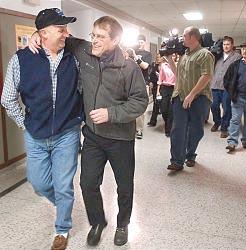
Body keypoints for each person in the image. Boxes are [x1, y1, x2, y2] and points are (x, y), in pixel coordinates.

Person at [30, 16, 148, 246]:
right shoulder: (84, 50)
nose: (94, 40)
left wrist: (111, 113)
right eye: (93, 35)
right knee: (87, 183)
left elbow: (140, 102)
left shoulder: (128, 66)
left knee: (124, 185)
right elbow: (62, 37)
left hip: (120, 138)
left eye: (100, 37)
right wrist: (38, 34)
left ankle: (122, 224)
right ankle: (97, 222)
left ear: (115, 40)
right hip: (93, 137)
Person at [1, 8, 82, 250]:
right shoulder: (21, 59)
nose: (66, 34)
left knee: (64, 184)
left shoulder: (75, 56)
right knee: (38, 182)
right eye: (61, 29)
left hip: (67, 133)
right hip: (35, 134)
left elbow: (91, 44)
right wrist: (24, 123)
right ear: (44, 33)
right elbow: (8, 98)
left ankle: (62, 228)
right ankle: (63, 203)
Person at [166, 26, 214, 170]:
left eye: (184, 35)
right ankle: (177, 161)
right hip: (180, 97)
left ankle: (190, 154)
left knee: (195, 130)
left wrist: (192, 94)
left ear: (193, 37)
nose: (182, 38)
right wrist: (169, 59)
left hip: (199, 99)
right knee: (177, 129)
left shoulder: (205, 54)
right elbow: (178, 74)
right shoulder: (184, 55)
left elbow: (207, 75)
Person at [210, 36, 241, 138]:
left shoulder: (237, 57)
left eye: (228, 44)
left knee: (227, 108)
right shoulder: (217, 55)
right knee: (214, 106)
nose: (225, 46)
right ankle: (217, 122)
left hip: (227, 87)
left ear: (232, 45)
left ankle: (224, 128)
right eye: (224, 44)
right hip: (215, 85)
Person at [128, 34, 152, 139]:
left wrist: (135, 56)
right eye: (138, 41)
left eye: (141, 42)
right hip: (130, 83)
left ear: (145, 42)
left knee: (141, 107)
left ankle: (139, 129)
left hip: (143, 82)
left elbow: (145, 66)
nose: (139, 44)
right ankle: (130, 128)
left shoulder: (147, 54)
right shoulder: (130, 52)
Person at [156, 55, 176, 137]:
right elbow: (160, 79)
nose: (173, 57)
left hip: (174, 88)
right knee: (163, 109)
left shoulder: (177, 65)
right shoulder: (163, 66)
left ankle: (168, 130)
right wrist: (158, 91)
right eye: (172, 55)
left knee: (171, 110)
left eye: (175, 55)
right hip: (164, 88)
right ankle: (167, 123)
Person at [147, 53, 161, 127]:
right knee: (156, 103)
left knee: (160, 104)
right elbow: (150, 74)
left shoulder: (164, 65)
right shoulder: (153, 65)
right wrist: (150, 82)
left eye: (160, 57)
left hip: (163, 86)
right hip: (155, 86)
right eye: (157, 57)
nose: (158, 59)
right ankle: (153, 121)